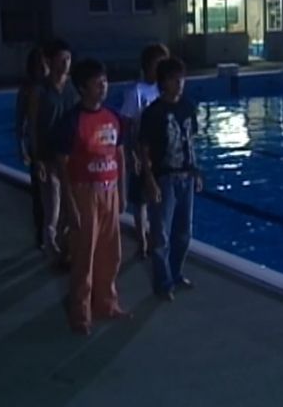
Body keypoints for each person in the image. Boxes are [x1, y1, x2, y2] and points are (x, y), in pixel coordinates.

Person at [54, 58, 129, 334]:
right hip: (84, 192)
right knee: (83, 255)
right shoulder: (70, 122)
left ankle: (107, 303)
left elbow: (119, 156)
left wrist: (122, 192)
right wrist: (70, 204)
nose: (103, 87)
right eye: (97, 83)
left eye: (104, 82)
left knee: (111, 252)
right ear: (82, 88)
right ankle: (81, 313)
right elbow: (62, 165)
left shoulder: (113, 118)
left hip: (109, 190)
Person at [140, 57, 202, 301]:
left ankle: (176, 273)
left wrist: (195, 171)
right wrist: (150, 180)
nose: (180, 84)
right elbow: (143, 149)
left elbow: (191, 143)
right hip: (164, 178)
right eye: (175, 80)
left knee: (184, 233)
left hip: (186, 177)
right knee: (161, 235)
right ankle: (163, 283)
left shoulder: (188, 107)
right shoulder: (153, 113)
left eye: (182, 79)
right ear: (163, 82)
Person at [28, 39, 80, 269]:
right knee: (53, 211)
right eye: (62, 59)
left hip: (70, 157)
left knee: (70, 209)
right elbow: (33, 125)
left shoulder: (73, 88)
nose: (66, 63)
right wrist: (36, 157)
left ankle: (66, 252)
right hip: (48, 157)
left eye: (68, 58)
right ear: (51, 61)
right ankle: (53, 254)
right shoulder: (39, 90)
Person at [120, 43, 170, 258]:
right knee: (140, 199)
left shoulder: (164, 90)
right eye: (158, 63)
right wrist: (130, 153)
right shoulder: (136, 92)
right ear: (148, 65)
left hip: (162, 153)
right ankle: (141, 239)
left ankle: (156, 237)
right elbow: (126, 124)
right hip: (142, 152)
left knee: (160, 197)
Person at [16, 47, 49, 250]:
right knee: (38, 192)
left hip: (54, 146)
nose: (42, 69)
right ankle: (40, 231)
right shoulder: (27, 90)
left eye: (44, 65)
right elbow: (20, 120)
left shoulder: (53, 88)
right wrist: (21, 145)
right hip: (37, 147)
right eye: (38, 66)